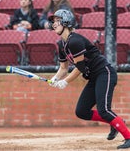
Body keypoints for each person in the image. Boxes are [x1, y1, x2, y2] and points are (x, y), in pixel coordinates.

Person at [48, 9, 130, 149]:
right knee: (82, 111)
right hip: (93, 77)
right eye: (53, 21)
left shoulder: (75, 41)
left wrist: (65, 81)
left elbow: (79, 68)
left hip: (105, 73)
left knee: (104, 109)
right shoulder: (62, 44)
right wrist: (55, 78)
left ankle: (128, 136)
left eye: (57, 21)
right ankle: (115, 121)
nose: (54, 24)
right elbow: (63, 68)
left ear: (66, 22)